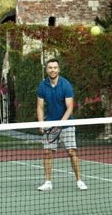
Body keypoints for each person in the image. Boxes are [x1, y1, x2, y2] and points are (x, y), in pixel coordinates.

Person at [36, 58, 87, 191]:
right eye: (50, 67)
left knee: (71, 152)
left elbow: (70, 107)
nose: (52, 70)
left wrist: (60, 124)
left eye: (55, 67)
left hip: (67, 124)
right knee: (47, 152)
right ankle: (48, 182)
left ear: (58, 69)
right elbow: (40, 107)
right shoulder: (42, 85)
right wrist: (41, 124)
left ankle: (79, 180)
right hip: (50, 124)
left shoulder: (66, 85)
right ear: (47, 69)